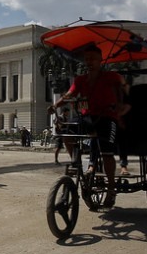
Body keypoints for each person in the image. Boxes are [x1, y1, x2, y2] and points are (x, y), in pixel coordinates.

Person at [48, 44, 126, 208]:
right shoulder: (80, 80)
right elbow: (69, 95)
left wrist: (120, 104)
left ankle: (111, 188)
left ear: (100, 60)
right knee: (67, 131)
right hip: (87, 117)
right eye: (87, 59)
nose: (89, 62)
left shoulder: (110, 77)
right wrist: (55, 106)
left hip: (106, 117)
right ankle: (76, 162)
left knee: (106, 153)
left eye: (93, 59)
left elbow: (123, 88)